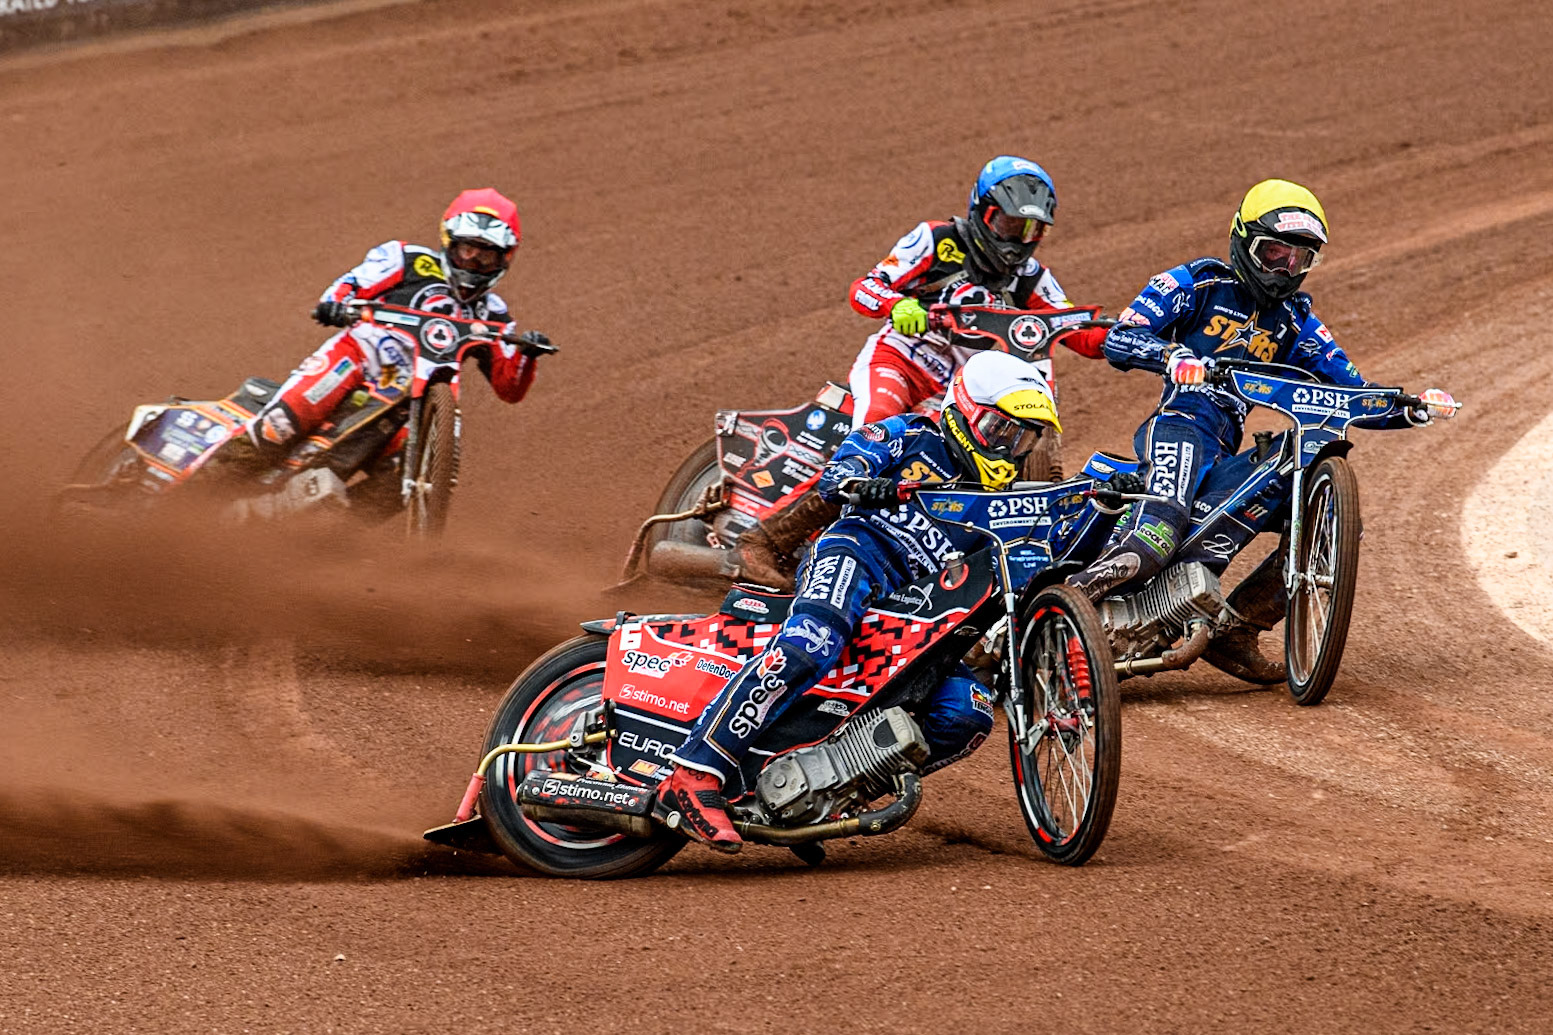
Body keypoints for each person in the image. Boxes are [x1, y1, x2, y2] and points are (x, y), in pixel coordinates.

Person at [655, 351, 1064, 852]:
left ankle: (820, 794)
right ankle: (695, 771)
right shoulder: (912, 434)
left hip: (919, 613)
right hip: (856, 554)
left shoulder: (1001, 500)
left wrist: (1112, 493)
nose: (1010, 447)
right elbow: (847, 462)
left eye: (1023, 437)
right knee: (813, 642)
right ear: (964, 410)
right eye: (1001, 429)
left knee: (967, 711)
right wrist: (857, 478)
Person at [1065, 179, 1459, 681]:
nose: (1284, 271)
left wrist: (1409, 406)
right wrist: (1172, 355)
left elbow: (1351, 391)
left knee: (1333, 524)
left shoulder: (1296, 321)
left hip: (1226, 450)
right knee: (1157, 533)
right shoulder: (1197, 283)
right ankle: (1058, 616)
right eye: (1274, 253)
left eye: (1299, 259)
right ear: (1242, 241)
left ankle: (1235, 630)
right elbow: (1121, 336)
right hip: (1180, 428)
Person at [736, 156, 1108, 589]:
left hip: (958, 386)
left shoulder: (1032, 278)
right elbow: (867, 287)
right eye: (1010, 225)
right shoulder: (936, 240)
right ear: (983, 211)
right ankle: (763, 541)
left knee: (972, 466)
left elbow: (1079, 331)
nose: (1019, 241)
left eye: (1032, 230)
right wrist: (898, 305)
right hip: (902, 360)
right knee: (874, 438)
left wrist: (1136, 330)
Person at [240, 189, 552, 509]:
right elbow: (353, 283)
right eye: (467, 249)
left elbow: (509, 388)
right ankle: (206, 483)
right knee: (279, 425)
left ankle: (332, 535)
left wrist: (528, 355)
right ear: (449, 241)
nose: (473, 262)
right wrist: (334, 304)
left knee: (416, 470)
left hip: (411, 404)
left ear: (505, 258)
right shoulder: (407, 260)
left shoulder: (493, 314)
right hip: (358, 358)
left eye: (486, 255)